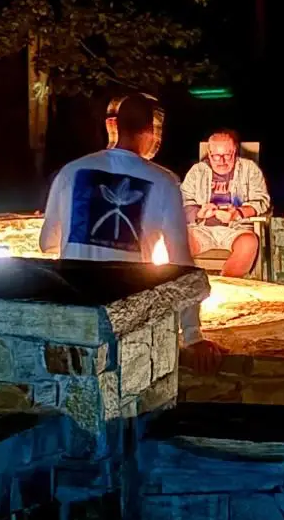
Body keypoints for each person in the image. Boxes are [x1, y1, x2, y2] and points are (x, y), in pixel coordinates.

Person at [41, 94, 224, 365]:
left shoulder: (71, 172)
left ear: (116, 126)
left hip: (76, 316)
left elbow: (47, 243)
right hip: (129, 318)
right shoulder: (163, 182)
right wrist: (192, 335)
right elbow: (181, 261)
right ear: (152, 131)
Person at [179, 130, 271, 277]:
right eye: (216, 156)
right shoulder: (197, 171)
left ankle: (227, 285)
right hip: (201, 228)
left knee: (249, 243)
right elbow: (183, 201)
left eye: (227, 155)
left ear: (234, 151)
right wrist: (199, 212)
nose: (221, 161)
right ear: (209, 154)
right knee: (178, 242)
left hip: (237, 228)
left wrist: (237, 213)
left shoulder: (249, 169)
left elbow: (262, 201)